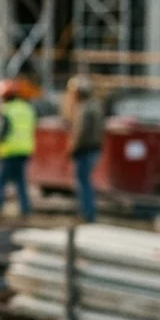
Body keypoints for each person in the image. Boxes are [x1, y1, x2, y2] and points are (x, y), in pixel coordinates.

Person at [0, 78, 35, 218]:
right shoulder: (27, 108)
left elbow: (2, 131)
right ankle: (25, 209)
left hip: (9, 150)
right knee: (21, 181)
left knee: (1, 181)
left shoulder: (7, 110)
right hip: (25, 150)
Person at [66, 75, 104, 223]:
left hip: (84, 150)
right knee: (86, 182)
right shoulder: (95, 105)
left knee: (83, 183)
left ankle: (86, 214)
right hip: (94, 148)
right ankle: (88, 213)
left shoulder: (84, 108)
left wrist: (72, 148)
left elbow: (80, 132)